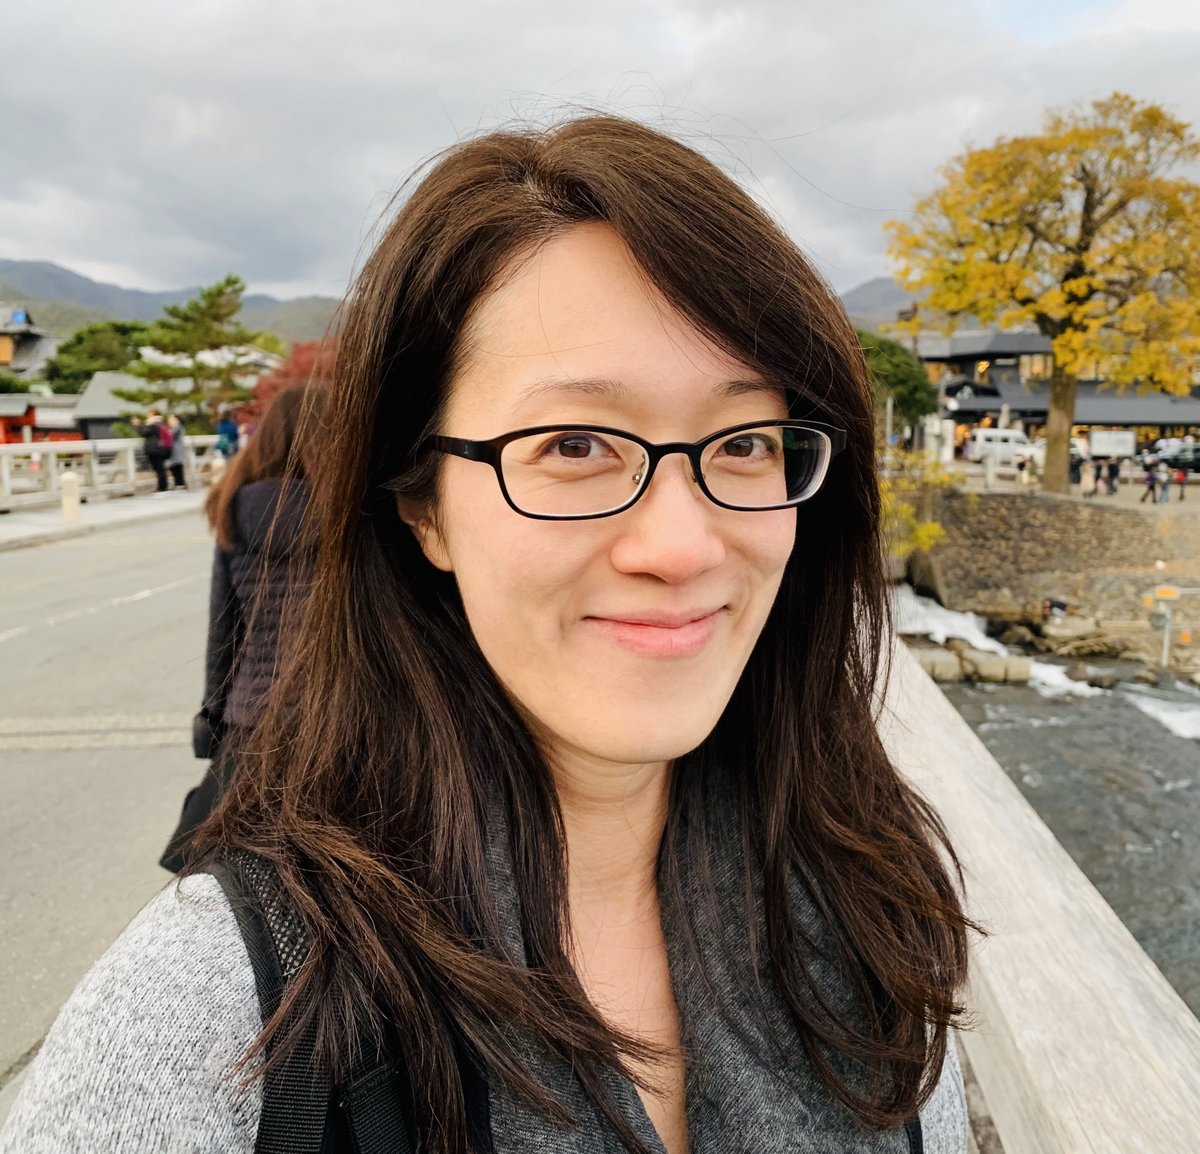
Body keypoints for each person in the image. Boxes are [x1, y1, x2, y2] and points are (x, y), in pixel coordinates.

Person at [2, 116, 976, 1154]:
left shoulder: (868, 916)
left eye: (741, 441)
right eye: (574, 443)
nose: (684, 545)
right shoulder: (216, 1022)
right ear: (422, 505)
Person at [158, 386, 317, 873]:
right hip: (342, 712)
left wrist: (213, 713)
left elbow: (223, 630)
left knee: (246, 861)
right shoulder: (358, 513)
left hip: (254, 715)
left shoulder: (236, 509)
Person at [132, 408, 171, 493]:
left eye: (149, 413)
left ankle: (162, 488)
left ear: (153, 414)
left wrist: (137, 425)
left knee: (159, 469)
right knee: (160, 468)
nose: (147, 415)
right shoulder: (159, 423)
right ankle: (162, 487)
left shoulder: (153, 424)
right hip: (160, 449)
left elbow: (143, 433)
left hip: (155, 449)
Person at [166, 413, 188, 489]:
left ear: (176, 420)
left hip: (177, 451)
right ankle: (178, 484)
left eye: (171, 419)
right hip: (173, 452)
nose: (169, 421)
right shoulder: (172, 428)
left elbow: (171, 437)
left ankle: (180, 484)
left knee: (178, 468)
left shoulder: (178, 428)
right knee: (174, 468)